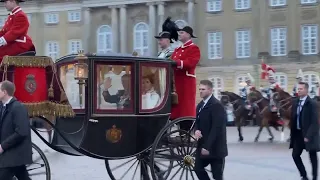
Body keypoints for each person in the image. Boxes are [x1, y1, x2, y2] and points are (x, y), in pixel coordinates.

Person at [194, 80, 228, 180]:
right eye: (199, 89)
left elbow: (216, 128)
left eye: (203, 89)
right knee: (197, 168)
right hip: (202, 146)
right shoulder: (200, 105)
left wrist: (207, 147)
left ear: (210, 90)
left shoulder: (216, 105)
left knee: (217, 176)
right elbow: (197, 122)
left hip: (216, 148)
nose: (200, 91)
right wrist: (196, 130)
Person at [170, 24, 201, 130]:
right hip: (177, 81)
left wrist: (176, 63)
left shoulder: (193, 48)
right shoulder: (178, 49)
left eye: (182, 33)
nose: (180, 34)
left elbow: (191, 62)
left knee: (185, 106)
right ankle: (176, 122)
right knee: (176, 105)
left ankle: (186, 127)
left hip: (185, 82)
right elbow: (171, 60)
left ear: (188, 34)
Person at [0, 80, 32, 180]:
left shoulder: (18, 107)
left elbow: (21, 132)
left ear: (4, 92)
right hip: (10, 153)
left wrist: (3, 146)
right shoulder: (3, 107)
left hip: (15, 153)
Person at [290, 82, 319, 180]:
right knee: (295, 155)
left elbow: (315, 122)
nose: (299, 90)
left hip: (309, 135)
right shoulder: (295, 102)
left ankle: (315, 177)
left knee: (312, 156)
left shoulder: (312, 104)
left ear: (306, 90)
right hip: (298, 134)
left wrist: (308, 136)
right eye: (298, 89)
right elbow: (293, 117)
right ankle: (304, 175)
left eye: (301, 89)